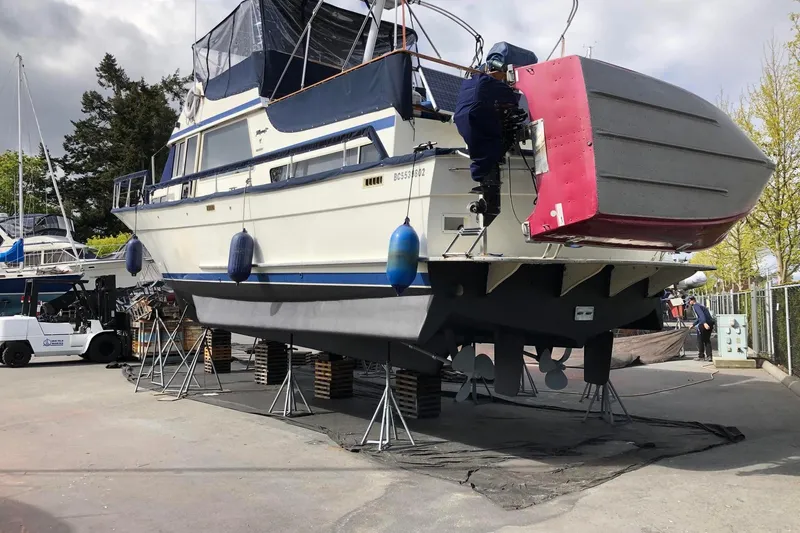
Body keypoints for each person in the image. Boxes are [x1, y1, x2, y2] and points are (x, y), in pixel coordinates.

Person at [454, 62, 527, 227]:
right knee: (492, 150)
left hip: (463, 121)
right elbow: (512, 98)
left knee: (483, 154)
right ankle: (489, 195)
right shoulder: (489, 82)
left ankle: (484, 185)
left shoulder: (469, 82)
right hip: (477, 120)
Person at [687, 296, 714, 360]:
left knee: (700, 340)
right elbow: (699, 317)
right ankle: (709, 356)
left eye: (689, 301)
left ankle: (701, 356)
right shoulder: (701, 305)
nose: (689, 302)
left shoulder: (696, 306)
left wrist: (704, 323)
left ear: (693, 300)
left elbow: (701, 315)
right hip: (710, 323)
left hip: (704, 324)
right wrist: (693, 324)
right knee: (707, 340)